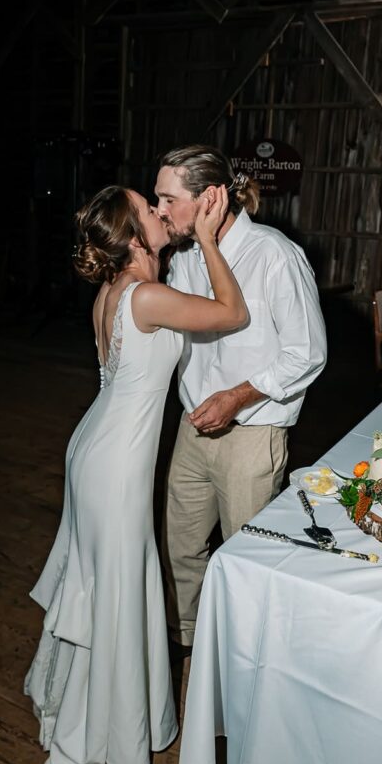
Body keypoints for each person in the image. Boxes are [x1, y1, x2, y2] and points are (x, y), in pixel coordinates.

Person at [24, 183, 246, 764]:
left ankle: (89, 705)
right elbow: (232, 313)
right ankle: (100, 728)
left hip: (93, 447)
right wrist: (203, 234)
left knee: (102, 584)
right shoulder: (146, 296)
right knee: (117, 588)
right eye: (149, 209)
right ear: (130, 236)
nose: (158, 209)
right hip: (115, 463)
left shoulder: (115, 290)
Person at [155, 145, 327, 648]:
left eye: (168, 199)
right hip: (192, 427)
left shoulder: (274, 254)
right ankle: (190, 642)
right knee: (182, 548)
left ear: (209, 198)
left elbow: (307, 353)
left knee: (245, 557)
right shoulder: (184, 258)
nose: (161, 209)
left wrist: (237, 397)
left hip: (253, 434)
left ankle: (244, 655)